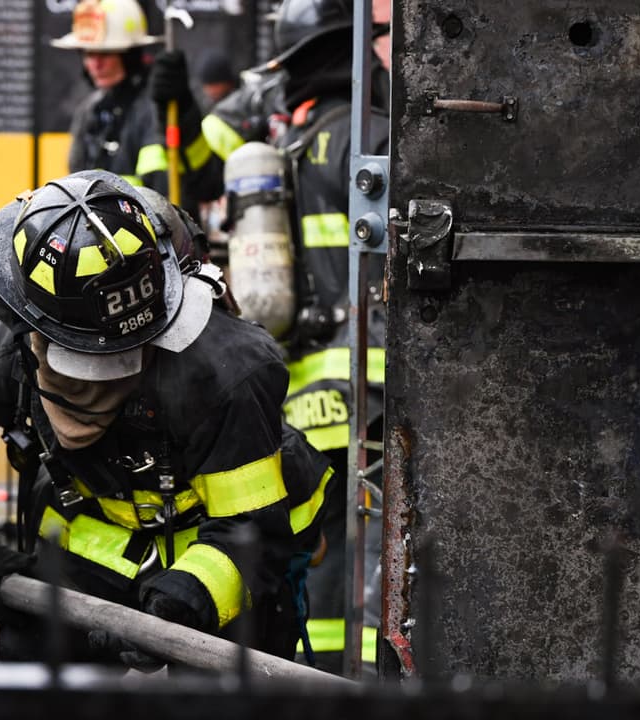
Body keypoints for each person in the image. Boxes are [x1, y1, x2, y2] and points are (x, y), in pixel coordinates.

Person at [0, 170, 334, 666]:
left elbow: (249, 530)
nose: (108, 378)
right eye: (90, 361)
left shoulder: (225, 371)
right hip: (91, 533)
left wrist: (186, 603)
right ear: (36, 331)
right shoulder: (0, 352)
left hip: (220, 548)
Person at [155, 0, 389, 671]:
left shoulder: (282, 144)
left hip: (307, 386)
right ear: (352, 51)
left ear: (295, 68)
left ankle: (310, 675)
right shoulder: (373, 139)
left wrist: (177, 105)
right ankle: (366, 680)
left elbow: (194, 172)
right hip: (372, 384)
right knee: (370, 548)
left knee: (316, 544)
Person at [53, 0, 219, 214]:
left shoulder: (164, 103)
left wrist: (184, 114)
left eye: (104, 53)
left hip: (164, 236)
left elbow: (206, 182)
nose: (95, 64)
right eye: (88, 53)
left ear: (129, 55)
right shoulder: (89, 112)